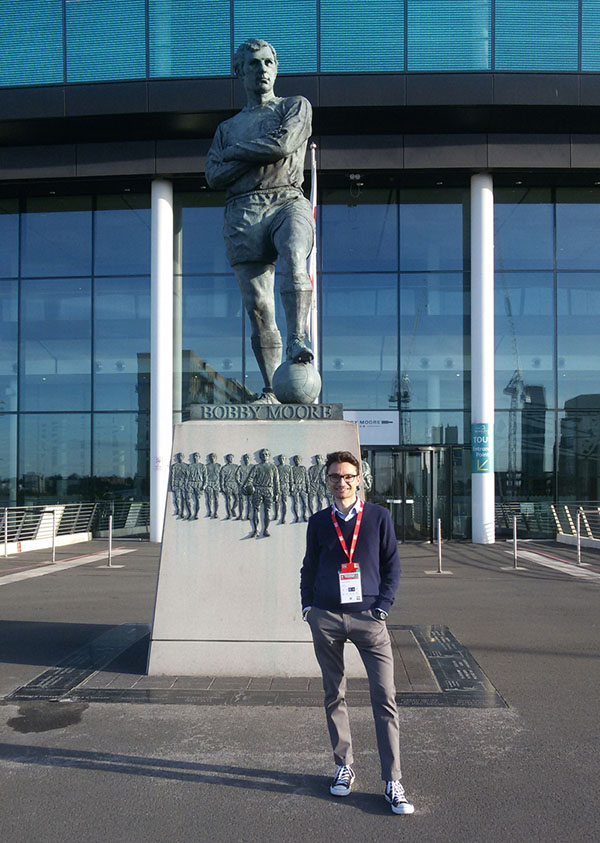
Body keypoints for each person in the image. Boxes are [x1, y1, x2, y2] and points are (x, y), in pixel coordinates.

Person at [300, 450, 414, 815]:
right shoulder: (319, 522)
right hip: (327, 617)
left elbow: (392, 565)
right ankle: (343, 766)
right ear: (328, 480)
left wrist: (382, 607)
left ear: (359, 478)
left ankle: (392, 780)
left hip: (369, 618)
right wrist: (309, 608)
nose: (342, 482)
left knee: (385, 697)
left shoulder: (379, 517)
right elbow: (308, 566)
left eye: (348, 476)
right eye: (335, 476)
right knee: (334, 693)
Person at [205, 38, 315, 403]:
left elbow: (283, 145)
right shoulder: (227, 128)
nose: (262, 69)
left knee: (295, 257)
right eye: (253, 63)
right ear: (239, 71)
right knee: (258, 308)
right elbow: (213, 175)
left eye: (268, 62)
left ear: (277, 67)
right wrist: (246, 154)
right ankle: (271, 388)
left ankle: (298, 337)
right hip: (243, 211)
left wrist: (236, 155)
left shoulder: (294, 106)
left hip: (287, 199)